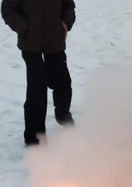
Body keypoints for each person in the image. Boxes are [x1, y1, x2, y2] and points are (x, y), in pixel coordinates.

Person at [1, 0, 76, 146]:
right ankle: (35, 137)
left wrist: (65, 24)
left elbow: (68, 5)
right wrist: (25, 28)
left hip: (55, 42)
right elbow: (8, 10)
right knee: (37, 89)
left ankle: (62, 114)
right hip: (30, 45)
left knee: (62, 82)